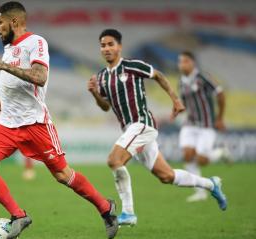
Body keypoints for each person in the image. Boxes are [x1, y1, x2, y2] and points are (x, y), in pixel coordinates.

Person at [0, 1, 119, 239]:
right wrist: (5, 99)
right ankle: (19, 215)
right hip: (8, 123)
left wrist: (2, 65)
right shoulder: (9, 48)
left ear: (14, 22)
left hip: (35, 124)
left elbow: (39, 77)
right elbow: (16, 82)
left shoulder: (36, 42)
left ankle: (105, 208)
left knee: (63, 175)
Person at [86, 29, 227, 226]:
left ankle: (128, 213)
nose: (107, 48)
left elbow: (158, 75)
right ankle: (211, 184)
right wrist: (94, 93)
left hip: (142, 124)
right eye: (103, 45)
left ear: (119, 47)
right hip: (129, 130)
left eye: (111, 44)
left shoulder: (132, 66)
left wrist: (175, 100)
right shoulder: (101, 77)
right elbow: (105, 106)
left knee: (114, 160)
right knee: (166, 176)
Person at [178, 51, 231, 202]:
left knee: (202, 160)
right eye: (180, 61)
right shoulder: (181, 82)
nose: (182, 64)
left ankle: (221, 152)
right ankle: (200, 193)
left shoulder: (203, 77)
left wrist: (220, 118)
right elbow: (184, 103)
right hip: (190, 124)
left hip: (207, 124)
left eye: (185, 61)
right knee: (187, 155)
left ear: (193, 63)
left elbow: (220, 94)